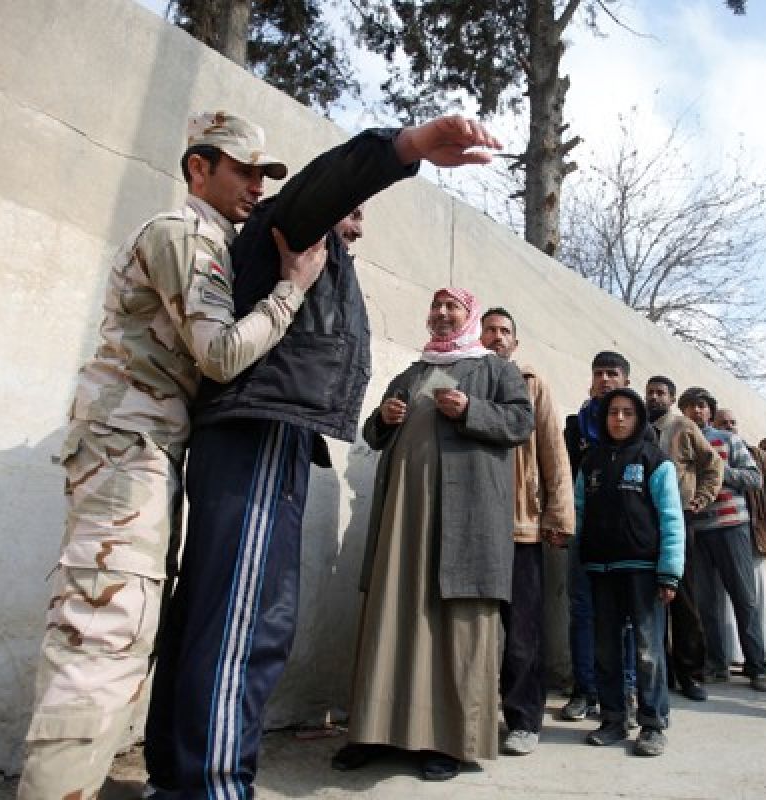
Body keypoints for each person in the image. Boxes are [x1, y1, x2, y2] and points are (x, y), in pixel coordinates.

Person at [143, 117, 503, 797]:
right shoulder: (292, 225)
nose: (358, 227)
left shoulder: (313, 257)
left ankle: (176, 777)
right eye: (354, 211)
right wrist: (406, 148)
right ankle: (210, 787)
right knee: (247, 625)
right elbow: (323, 185)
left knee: (222, 615)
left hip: (269, 433)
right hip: (257, 431)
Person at [17, 111, 331, 800]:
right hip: (126, 451)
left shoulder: (212, 241)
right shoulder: (181, 234)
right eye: (242, 170)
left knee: (122, 640)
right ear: (199, 167)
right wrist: (292, 291)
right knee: (100, 642)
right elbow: (218, 355)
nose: (255, 185)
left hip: (144, 452)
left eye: (263, 174)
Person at [332, 288, 534, 780]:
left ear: (467, 318)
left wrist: (470, 410)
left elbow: (520, 422)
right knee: (392, 614)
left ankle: (446, 740)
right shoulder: (413, 371)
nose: (442, 314)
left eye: (453, 308)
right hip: (404, 516)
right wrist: (382, 419)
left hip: (463, 517)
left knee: (455, 621)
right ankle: (374, 731)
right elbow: (374, 434)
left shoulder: (495, 369)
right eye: (436, 307)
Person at [479, 307, 575, 756]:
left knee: (522, 633)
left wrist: (558, 517)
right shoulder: (466, 376)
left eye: (504, 332)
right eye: (489, 330)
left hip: (522, 526)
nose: (497, 337)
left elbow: (554, 450)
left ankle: (523, 720)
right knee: (473, 629)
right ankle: (473, 718)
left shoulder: (532, 383)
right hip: (474, 527)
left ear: (515, 342)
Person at [575, 388, 685, 756]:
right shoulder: (589, 463)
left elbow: (672, 519)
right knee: (606, 651)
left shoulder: (655, 461)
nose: (619, 419)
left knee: (647, 650)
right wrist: (576, 556)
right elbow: (577, 513)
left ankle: (653, 723)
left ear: (638, 418)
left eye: (627, 412)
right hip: (601, 571)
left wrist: (669, 572)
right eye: (612, 412)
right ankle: (613, 719)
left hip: (644, 572)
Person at [560, 352, 643, 721]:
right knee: (582, 612)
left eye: (613, 373)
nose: (605, 379)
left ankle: (625, 689)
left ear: (626, 381)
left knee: (624, 617)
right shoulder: (574, 427)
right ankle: (585, 690)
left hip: (626, 538)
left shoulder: (643, 431)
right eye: (598, 373)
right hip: (583, 531)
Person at [679, 389, 766, 691]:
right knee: (706, 603)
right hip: (697, 530)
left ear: (710, 411)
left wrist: (719, 472)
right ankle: (716, 665)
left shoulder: (728, 440)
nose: (696, 412)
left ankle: (757, 667)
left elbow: (754, 478)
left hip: (731, 526)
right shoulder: (679, 443)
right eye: (689, 407)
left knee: (744, 599)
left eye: (701, 406)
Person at [646, 376, 723, 702]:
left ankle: (690, 674)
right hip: (646, 524)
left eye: (660, 393)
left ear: (672, 398)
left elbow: (713, 465)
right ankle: (658, 671)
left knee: (685, 598)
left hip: (680, 521)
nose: (654, 397)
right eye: (650, 392)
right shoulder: (638, 426)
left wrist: (702, 498)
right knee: (651, 600)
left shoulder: (683, 427)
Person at [715, 410, 766, 675]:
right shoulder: (710, 448)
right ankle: (733, 654)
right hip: (726, 533)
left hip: (761, 534)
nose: (729, 426)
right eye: (723, 423)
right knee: (728, 598)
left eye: (732, 422)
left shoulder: (758, 457)